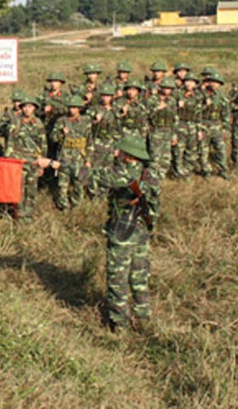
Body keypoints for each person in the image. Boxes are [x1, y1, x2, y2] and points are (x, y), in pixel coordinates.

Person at [85, 135, 160, 332]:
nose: (116, 153)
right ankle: (144, 318)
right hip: (142, 231)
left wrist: (56, 164)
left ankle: (119, 325)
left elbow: (89, 175)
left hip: (123, 232)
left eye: (121, 151)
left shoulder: (124, 175)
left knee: (117, 278)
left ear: (128, 156)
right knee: (139, 276)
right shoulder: (150, 175)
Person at [3, 96, 47, 220]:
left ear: (34, 108)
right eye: (25, 107)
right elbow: (10, 143)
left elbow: (42, 144)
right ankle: (19, 214)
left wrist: (41, 164)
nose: (27, 110)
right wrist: (9, 160)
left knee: (31, 188)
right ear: (21, 108)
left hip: (33, 161)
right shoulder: (15, 122)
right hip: (18, 161)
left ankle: (29, 214)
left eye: (30, 107)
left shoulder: (38, 124)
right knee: (19, 189)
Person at [48, 95, 91, 211]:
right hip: (64, 157)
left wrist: (88, 160)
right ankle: (63, 207)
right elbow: (53, 138)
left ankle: (77, 207)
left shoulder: (86, 122)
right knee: (62, 184)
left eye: (75, 107)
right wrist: (62, 133)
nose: (72, 110)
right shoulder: (61, 121)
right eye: (70, 107)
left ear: (79, 109)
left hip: (79, 158)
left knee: (79, 184)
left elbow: (90, 141)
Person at [199, 71, 230, 179]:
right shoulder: (201, 94)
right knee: (204, 150)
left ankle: (223, 170)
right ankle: (206, 171)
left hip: (217, 126)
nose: (214, 84)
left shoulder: (222, 97)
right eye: (212, 82)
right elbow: (196, 112)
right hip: (204, 125)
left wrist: (226, 128)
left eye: (217, 83)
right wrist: (205, 105)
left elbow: (225, 113)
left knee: (221, 149)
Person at [146, 76, 178, 179]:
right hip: (156, 131)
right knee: (155, 157)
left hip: (168, 131)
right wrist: (157, 108)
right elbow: (146, 115)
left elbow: (174, 118)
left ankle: (161, 177)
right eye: (165, 87)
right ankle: (152, 179)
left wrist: (174, 134)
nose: (167, 90)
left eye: (169, 88)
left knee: (166, 158)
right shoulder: (152, 99)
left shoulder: (172, 101)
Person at [173, 72, 202, 178]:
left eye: (192, 82)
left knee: (191, 149)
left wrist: (199, 130)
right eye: (187, 81)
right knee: (179, 150)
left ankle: (187, 170)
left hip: (192, 126)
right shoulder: (177, 94)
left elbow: (199, 114)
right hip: (180, 125)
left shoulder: (197, 96)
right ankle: (178, 171)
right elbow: (172, 111)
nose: (189, 84)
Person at [88, 83, 121, 172]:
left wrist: (117, 147)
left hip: (111, 144)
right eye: (103, 95)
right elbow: (86, 125)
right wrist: (95, 121)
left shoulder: (115, 110)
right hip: (97, 143)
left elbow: (118, 130)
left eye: (108, 96)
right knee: (94, 168)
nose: (105, 98)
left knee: (108, 170)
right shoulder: (93, 109)